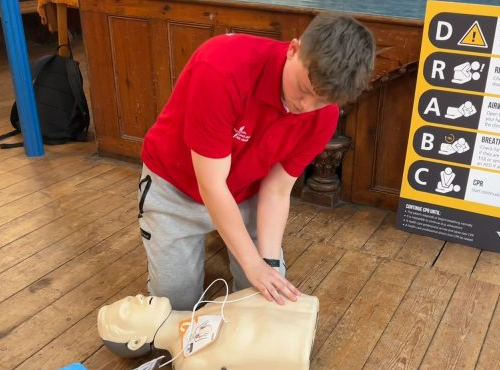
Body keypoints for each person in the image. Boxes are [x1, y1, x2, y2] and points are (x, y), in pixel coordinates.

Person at [138, 13, 375, 310]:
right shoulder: (221, 67)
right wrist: (251, 262)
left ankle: (229, 245)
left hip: (244, 194)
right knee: (173, 309)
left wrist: (268, 263)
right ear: (293, 49)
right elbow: (210, 185)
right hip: (176, 188)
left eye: (322, 101)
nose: (304, 107)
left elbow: (276, 191)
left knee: (267, 299)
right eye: (302, 89)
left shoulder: (321, 117)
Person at [97, 288, 320, 370]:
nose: (137, 298)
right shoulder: (191, 364)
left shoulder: (213, 304)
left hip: (304, 312)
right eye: (127, 310)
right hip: (297, 350)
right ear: (136, 341)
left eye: (129, 299)